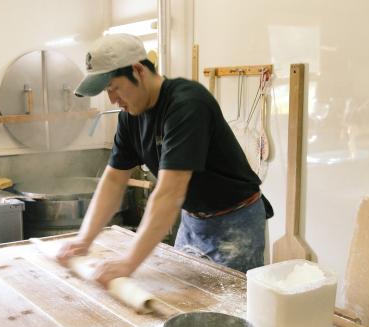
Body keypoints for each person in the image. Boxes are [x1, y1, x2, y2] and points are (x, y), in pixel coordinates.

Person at [57, 33, 273, 286]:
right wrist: (84, 239)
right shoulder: (130, 115)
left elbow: (170, 192)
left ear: (138, 71)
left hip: (236, 223)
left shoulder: (186, 104)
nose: (113, 99)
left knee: (229, 311)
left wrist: (128, 262)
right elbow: (114, 180)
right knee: (185, 300)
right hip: (193, 221)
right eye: (107, 91)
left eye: (114, 88)